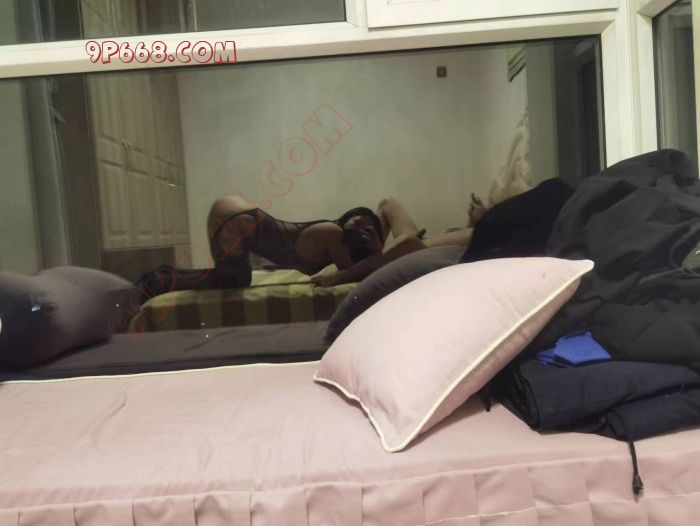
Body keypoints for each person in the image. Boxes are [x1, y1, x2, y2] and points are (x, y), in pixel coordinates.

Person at [207, 195, 474, 288]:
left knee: (408, 239)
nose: (360, 223)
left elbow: (409, 245)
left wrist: (343, 275)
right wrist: (378, 250)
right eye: (357, 219)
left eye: (367, 225)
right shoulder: (336, 234)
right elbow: (405, 241)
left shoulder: (394, 249)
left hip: (442, 244)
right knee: (389, 205)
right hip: (422, 245)